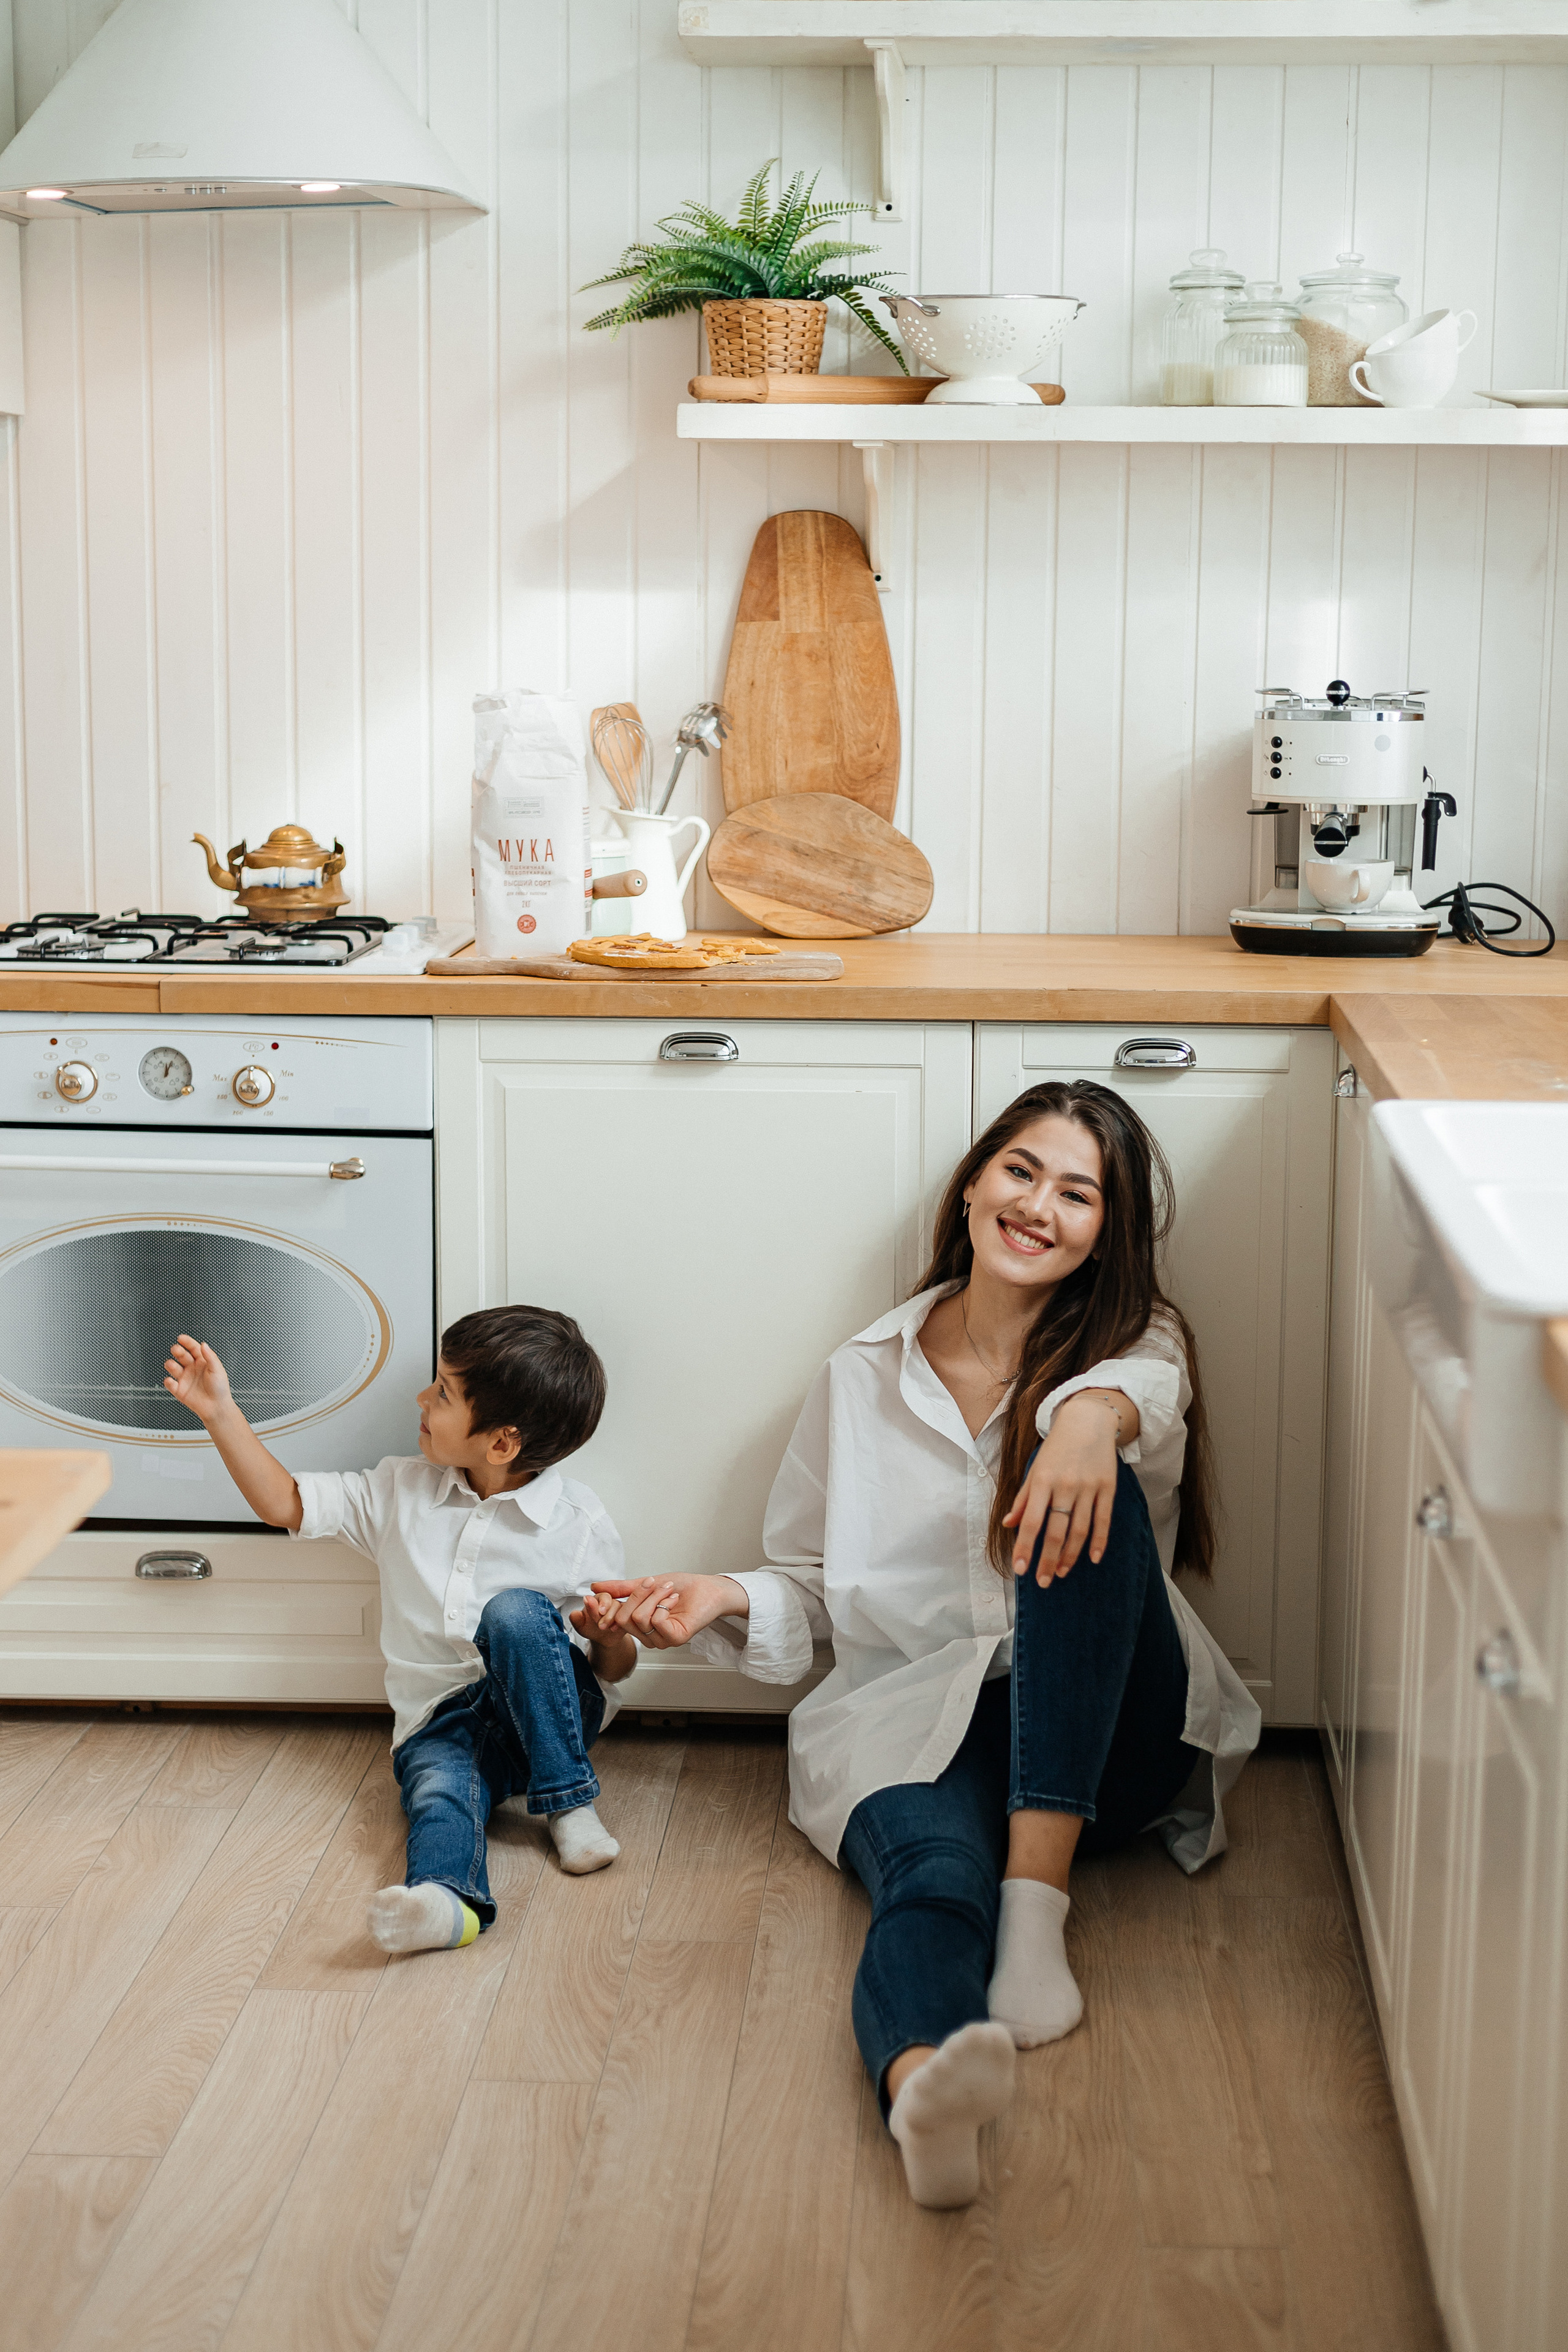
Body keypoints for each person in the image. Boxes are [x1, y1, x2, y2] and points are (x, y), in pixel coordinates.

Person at [590, 1082, 1261, 2209]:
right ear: (970, 1186)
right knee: (933, 1885)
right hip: (915, 1713)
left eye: (1078, 1193)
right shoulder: (862, 1374)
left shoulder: (1135, 1349)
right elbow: (813, 1584)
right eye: (1021, 1172)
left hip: (1112, 1738)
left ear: (1110, 1234)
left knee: (1070, 1481)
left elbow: (1139, 1393)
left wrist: (1084, 1418)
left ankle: (1038, 1912)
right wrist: (718, 1597)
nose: (1039, 1205)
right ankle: (922, 2091)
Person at [164, 1304, 635, 1955]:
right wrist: (219, 1412)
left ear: (500, 1442)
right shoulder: (400, 1490)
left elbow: (611, 1670)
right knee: (440, 1793)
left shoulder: (576, 1523)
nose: (421, 1398)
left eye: (442, 1393)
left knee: (515, 1614)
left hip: (552, 1714)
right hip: (440, 1723)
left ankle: (568, 1805)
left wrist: (609, 1636)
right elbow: (284, 1503)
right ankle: (446, 1903)